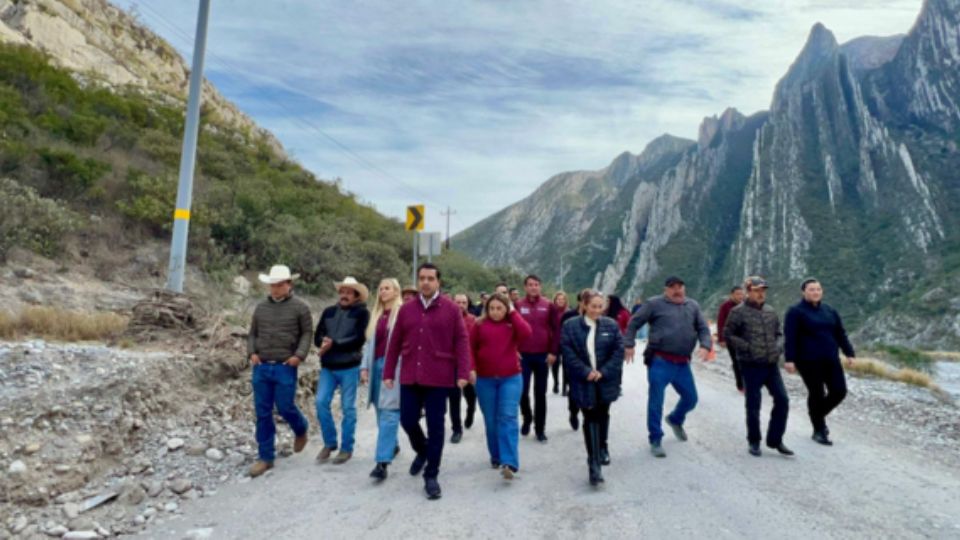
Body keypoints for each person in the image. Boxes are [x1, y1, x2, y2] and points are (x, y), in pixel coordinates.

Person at [384, 263, 471, 500]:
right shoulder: (406, 309)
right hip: (410, 374)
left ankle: (431, 474)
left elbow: (462, 341)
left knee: (436, 426)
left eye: (430, 278)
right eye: (422, 278)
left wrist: (463, 372)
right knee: (407, 419)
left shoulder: (451, 309)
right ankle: (423, 450)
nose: (425, 282)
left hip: (439, 376)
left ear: (438, 282)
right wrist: (388, 372)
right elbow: (394, 343)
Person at [624, 276, 712, 458]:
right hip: (660, 361)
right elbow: (634, 322)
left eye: (680, 286)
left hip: (682, 363)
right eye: (673, 287)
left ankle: (675, 419)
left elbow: (703, 328)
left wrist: (705, 345)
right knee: (656, 401)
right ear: (666, 290)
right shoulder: (654, 304)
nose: (677, 290)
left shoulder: (692, 305)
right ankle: (655, 439)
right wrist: (629, 344)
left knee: (691, 398)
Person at [246, 265, 312, 478]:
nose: (275, 289)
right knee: (263, 412)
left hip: (285, 366)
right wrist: (251, 352)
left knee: (285, 407)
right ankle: (265, 457)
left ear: (289, 284)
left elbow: (306, 334)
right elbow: (252, 333)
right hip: (262, 365)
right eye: (273, 285)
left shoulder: (301, 308)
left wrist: (298, 356)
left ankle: (301, 428)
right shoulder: (261, 308)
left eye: (279, 285)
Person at [723, 277, 794, 457]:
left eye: (763, 290)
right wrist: (746, 347)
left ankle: (775, 440)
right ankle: (754, 440)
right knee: (754, 404)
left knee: (783, 400)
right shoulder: (738, 312)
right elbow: (728, 334)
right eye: (756, 290)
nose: (761, 293)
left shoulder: (771, 311)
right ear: (748, 291)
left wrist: (778, 347)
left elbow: (779, 333)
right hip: (750, 364)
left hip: (771, 364)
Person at [561, 290, 624, 486]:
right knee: (589, 416)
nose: (597, 310)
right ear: (585, 306)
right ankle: (594, 464)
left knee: (603, 413)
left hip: (605, 379)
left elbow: (618, 350)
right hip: (583, 379)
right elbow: (568, 351)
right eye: (593, 306)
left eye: (600, 306)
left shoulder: (611, 325)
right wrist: (585, 371)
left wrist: (603, 371)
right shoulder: (571, 326)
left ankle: (603, 446)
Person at [784, 278, 856, 446]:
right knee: (817, 393)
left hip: (831, 358)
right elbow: (790, 337)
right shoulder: (795, 311)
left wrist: (849, 353)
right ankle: (819, 429)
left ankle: (816, 416)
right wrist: (789, 359)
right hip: (808, 360)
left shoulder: (830, 311)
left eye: (818, 289)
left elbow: (840, 333)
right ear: (804, 292)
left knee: (839, 391)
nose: (815, 292)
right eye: (811, 289)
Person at [471, 292, 532, 479]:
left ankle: (510, 462)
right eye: (492, 308)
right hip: (485, 380)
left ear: (506, 309)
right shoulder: (479, 325)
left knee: (507, 417)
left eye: (500, 308)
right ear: (486, 309)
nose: (495, 312)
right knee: (491, 420)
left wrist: (513, 313)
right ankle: (496, 455)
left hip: (511, 378)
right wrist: (471, 369)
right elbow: (470, 348)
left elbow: (527, 333)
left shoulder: (512, 323)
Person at [314, 277, 370, 465]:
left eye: (349, 292)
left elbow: (359, 339)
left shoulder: (362, 313)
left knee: (348, 408)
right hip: (328, 367)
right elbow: (317, 335)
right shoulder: (328, 311)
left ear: (356, 296)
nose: (344, 295)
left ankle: (346, 448)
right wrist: (324, 342)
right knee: (321, 402)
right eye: (342, 291)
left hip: (350, 367)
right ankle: (330, 443)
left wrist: (334, 344)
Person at [360, 278, 403, 481]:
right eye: (380, 288)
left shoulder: (402, 313)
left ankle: (382, 462)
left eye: (387, 288)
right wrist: (364, 367)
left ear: (396, 291)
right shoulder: (376, 315)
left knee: (389, 412)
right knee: (379, 409)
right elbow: (368, 344)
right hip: (376, 364)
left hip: (394, 367)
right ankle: (392, 444)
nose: (383, 291)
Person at [515, 274, 558, 443]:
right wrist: (513, 350)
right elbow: (511, 329)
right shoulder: (518, 305)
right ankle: (527, 417)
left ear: (540, 286)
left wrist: (553, 352)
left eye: (536, 284)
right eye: (530, 284)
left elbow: (556, 331)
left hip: (542, 356)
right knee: (522, 391)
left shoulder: (548, 305)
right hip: (523, 355)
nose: (533, 287)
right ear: (525, 287)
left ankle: (540, 429)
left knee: (540, 393)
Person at [449, 293, 479, 443]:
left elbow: (474, 347)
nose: (460, 305)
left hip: (467, 364)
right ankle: (456, 429)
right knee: (454, 398)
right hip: (451, 365)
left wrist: (472, 367)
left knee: (470, 395)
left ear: (468, 304)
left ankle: (471, 410)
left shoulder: (473, 321)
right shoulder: (446, 319)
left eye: (464, 302)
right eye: (458, 302)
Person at [559, 291, 586, 429]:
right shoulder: (568, 316)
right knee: (574, 388)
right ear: (579, 301)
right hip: (571, 359)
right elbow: (562, 337)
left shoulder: (597, 317)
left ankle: (588, 415)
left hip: (590, 360)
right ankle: (573, 412)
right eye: (584, 300)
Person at [717, 285, 746, 392]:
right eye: (738, 294)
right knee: (737, 361)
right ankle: (741, 385)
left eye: (742, 294)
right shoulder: (725, 306)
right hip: (731, 338)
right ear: (732, 295)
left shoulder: (747, 305)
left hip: (745, 338)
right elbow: (720, 322)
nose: (740, 296)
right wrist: (721, 339)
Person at [550, 291, 570, 394]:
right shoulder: (551, 312)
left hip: (566, 341)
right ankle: (556, 383)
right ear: (555, 300)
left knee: (566, 364)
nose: (560, 301)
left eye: (562, 299)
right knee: (555, 363)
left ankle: (565, 386)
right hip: (555, 340)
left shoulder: (569, 312)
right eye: (558, 299)